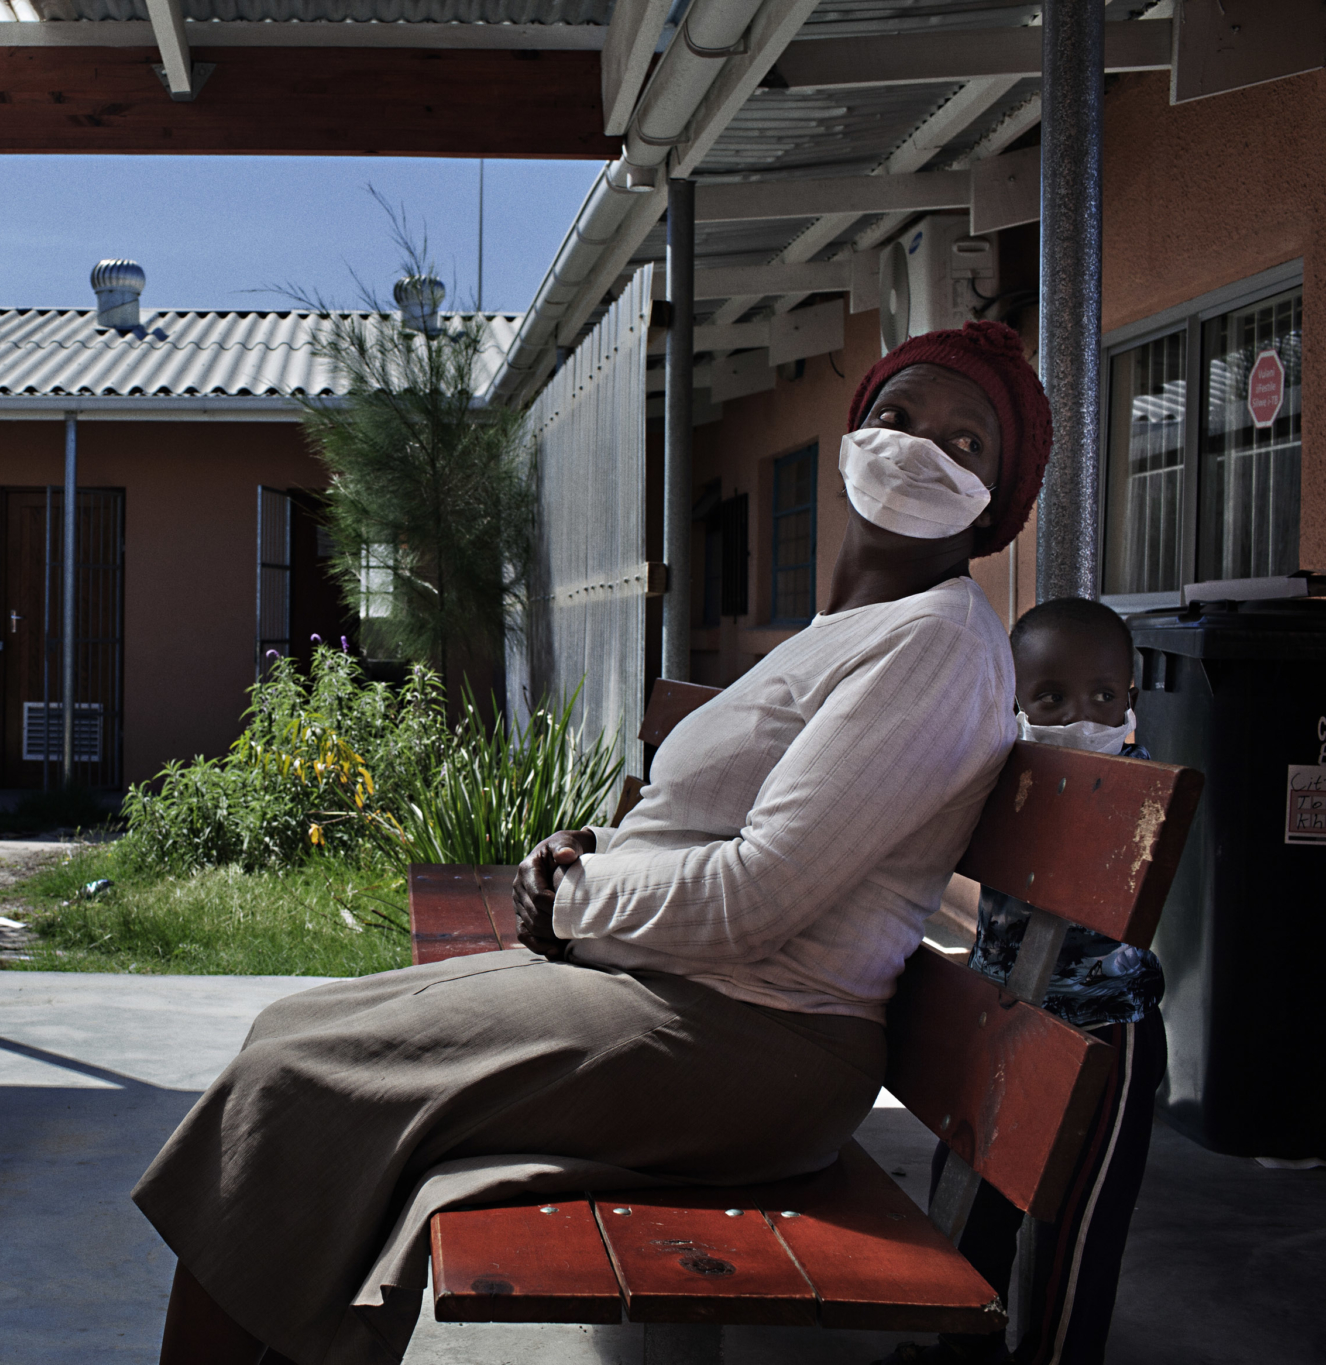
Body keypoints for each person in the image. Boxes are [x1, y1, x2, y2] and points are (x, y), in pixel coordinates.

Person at [134, 321, 1055, 1365]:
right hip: (691, 1001)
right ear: (851, 434)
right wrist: (596, 860)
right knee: (285, 1033)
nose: (914, 447)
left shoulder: (932, 644)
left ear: (997, 499)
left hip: (751, 1042)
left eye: (963, 441)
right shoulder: (859, 627)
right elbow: (719, 832)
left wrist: (566, 902)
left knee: (290, 1082)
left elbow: (756, 894)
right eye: (893, 416)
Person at [878, 598, 1166, 1365]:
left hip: (1108, 1030)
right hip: (1006, 1019)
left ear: (1132, 699)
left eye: (1105, 696)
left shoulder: (1136, 793)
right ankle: (963, 1347)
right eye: (1053, 698)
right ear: (1014, 703)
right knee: (970, 1199)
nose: (1082, 714)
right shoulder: (1001, 774)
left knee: (1080, 1223)